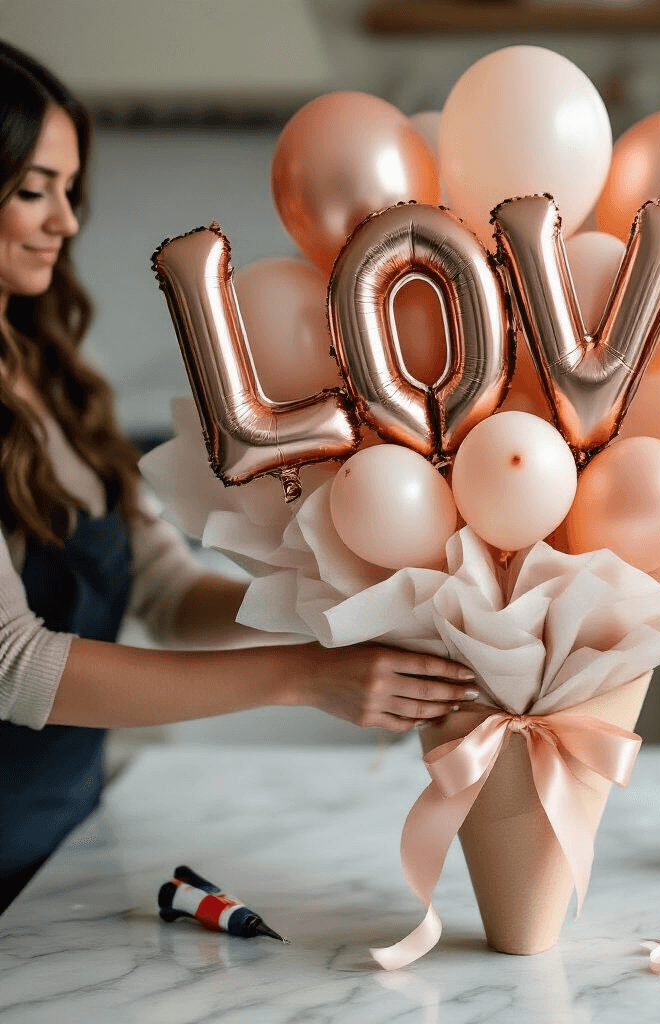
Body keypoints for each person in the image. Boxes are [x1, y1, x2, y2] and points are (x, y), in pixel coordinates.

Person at [0, 40, 477, 914]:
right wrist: (301, 675)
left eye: (71, 190)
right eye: (34, 189)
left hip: (63, 842)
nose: (65, 222)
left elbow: (164, 588)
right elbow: (19, 669)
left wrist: (336, 619)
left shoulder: (61, 365)